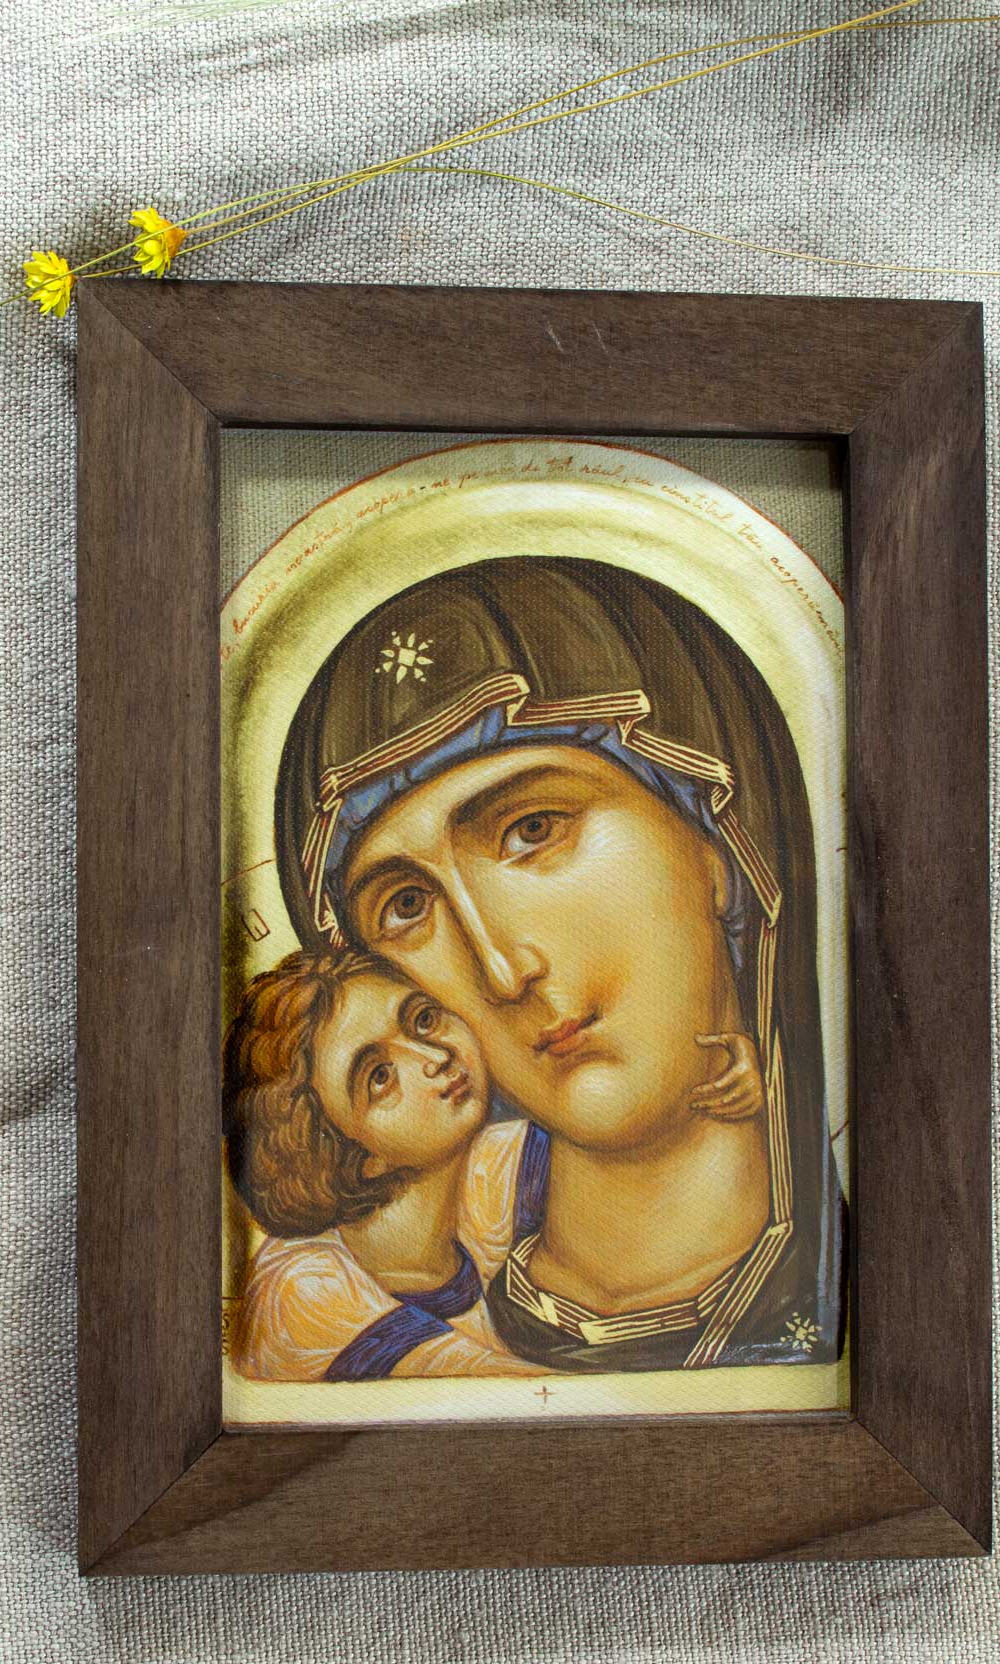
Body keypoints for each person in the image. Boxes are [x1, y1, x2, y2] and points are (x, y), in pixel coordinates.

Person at [274, 556, 845, 1371]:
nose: (501, 972)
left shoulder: (864, 1310)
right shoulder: (377, 1320)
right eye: (405, 905)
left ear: (718, 846)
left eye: (533, 828)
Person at [224, 945, 766, 1381]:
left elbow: (650, 1153)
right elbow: (518, 1393)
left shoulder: (489, 1167)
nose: (434, 1056)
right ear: (354, 1156)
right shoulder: (300, 1286)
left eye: (423, 1019)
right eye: (380, 1077)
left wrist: (710, 1081)